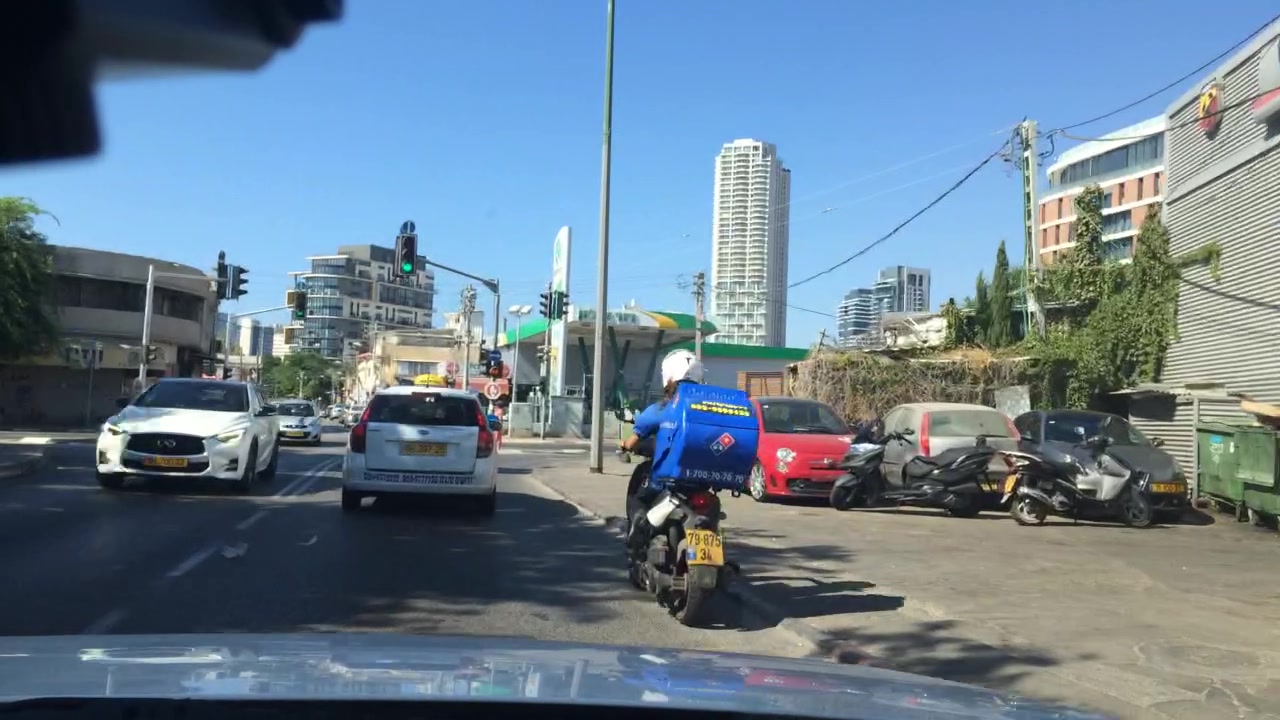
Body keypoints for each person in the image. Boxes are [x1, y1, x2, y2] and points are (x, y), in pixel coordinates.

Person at [618, 348, 705, 549]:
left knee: (639, 499)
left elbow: (634, 439)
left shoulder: (664, 408)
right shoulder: (709, 406)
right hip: (702, 482)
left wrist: (625, 445)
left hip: (668, 480)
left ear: (668, 376)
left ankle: (637, 534)